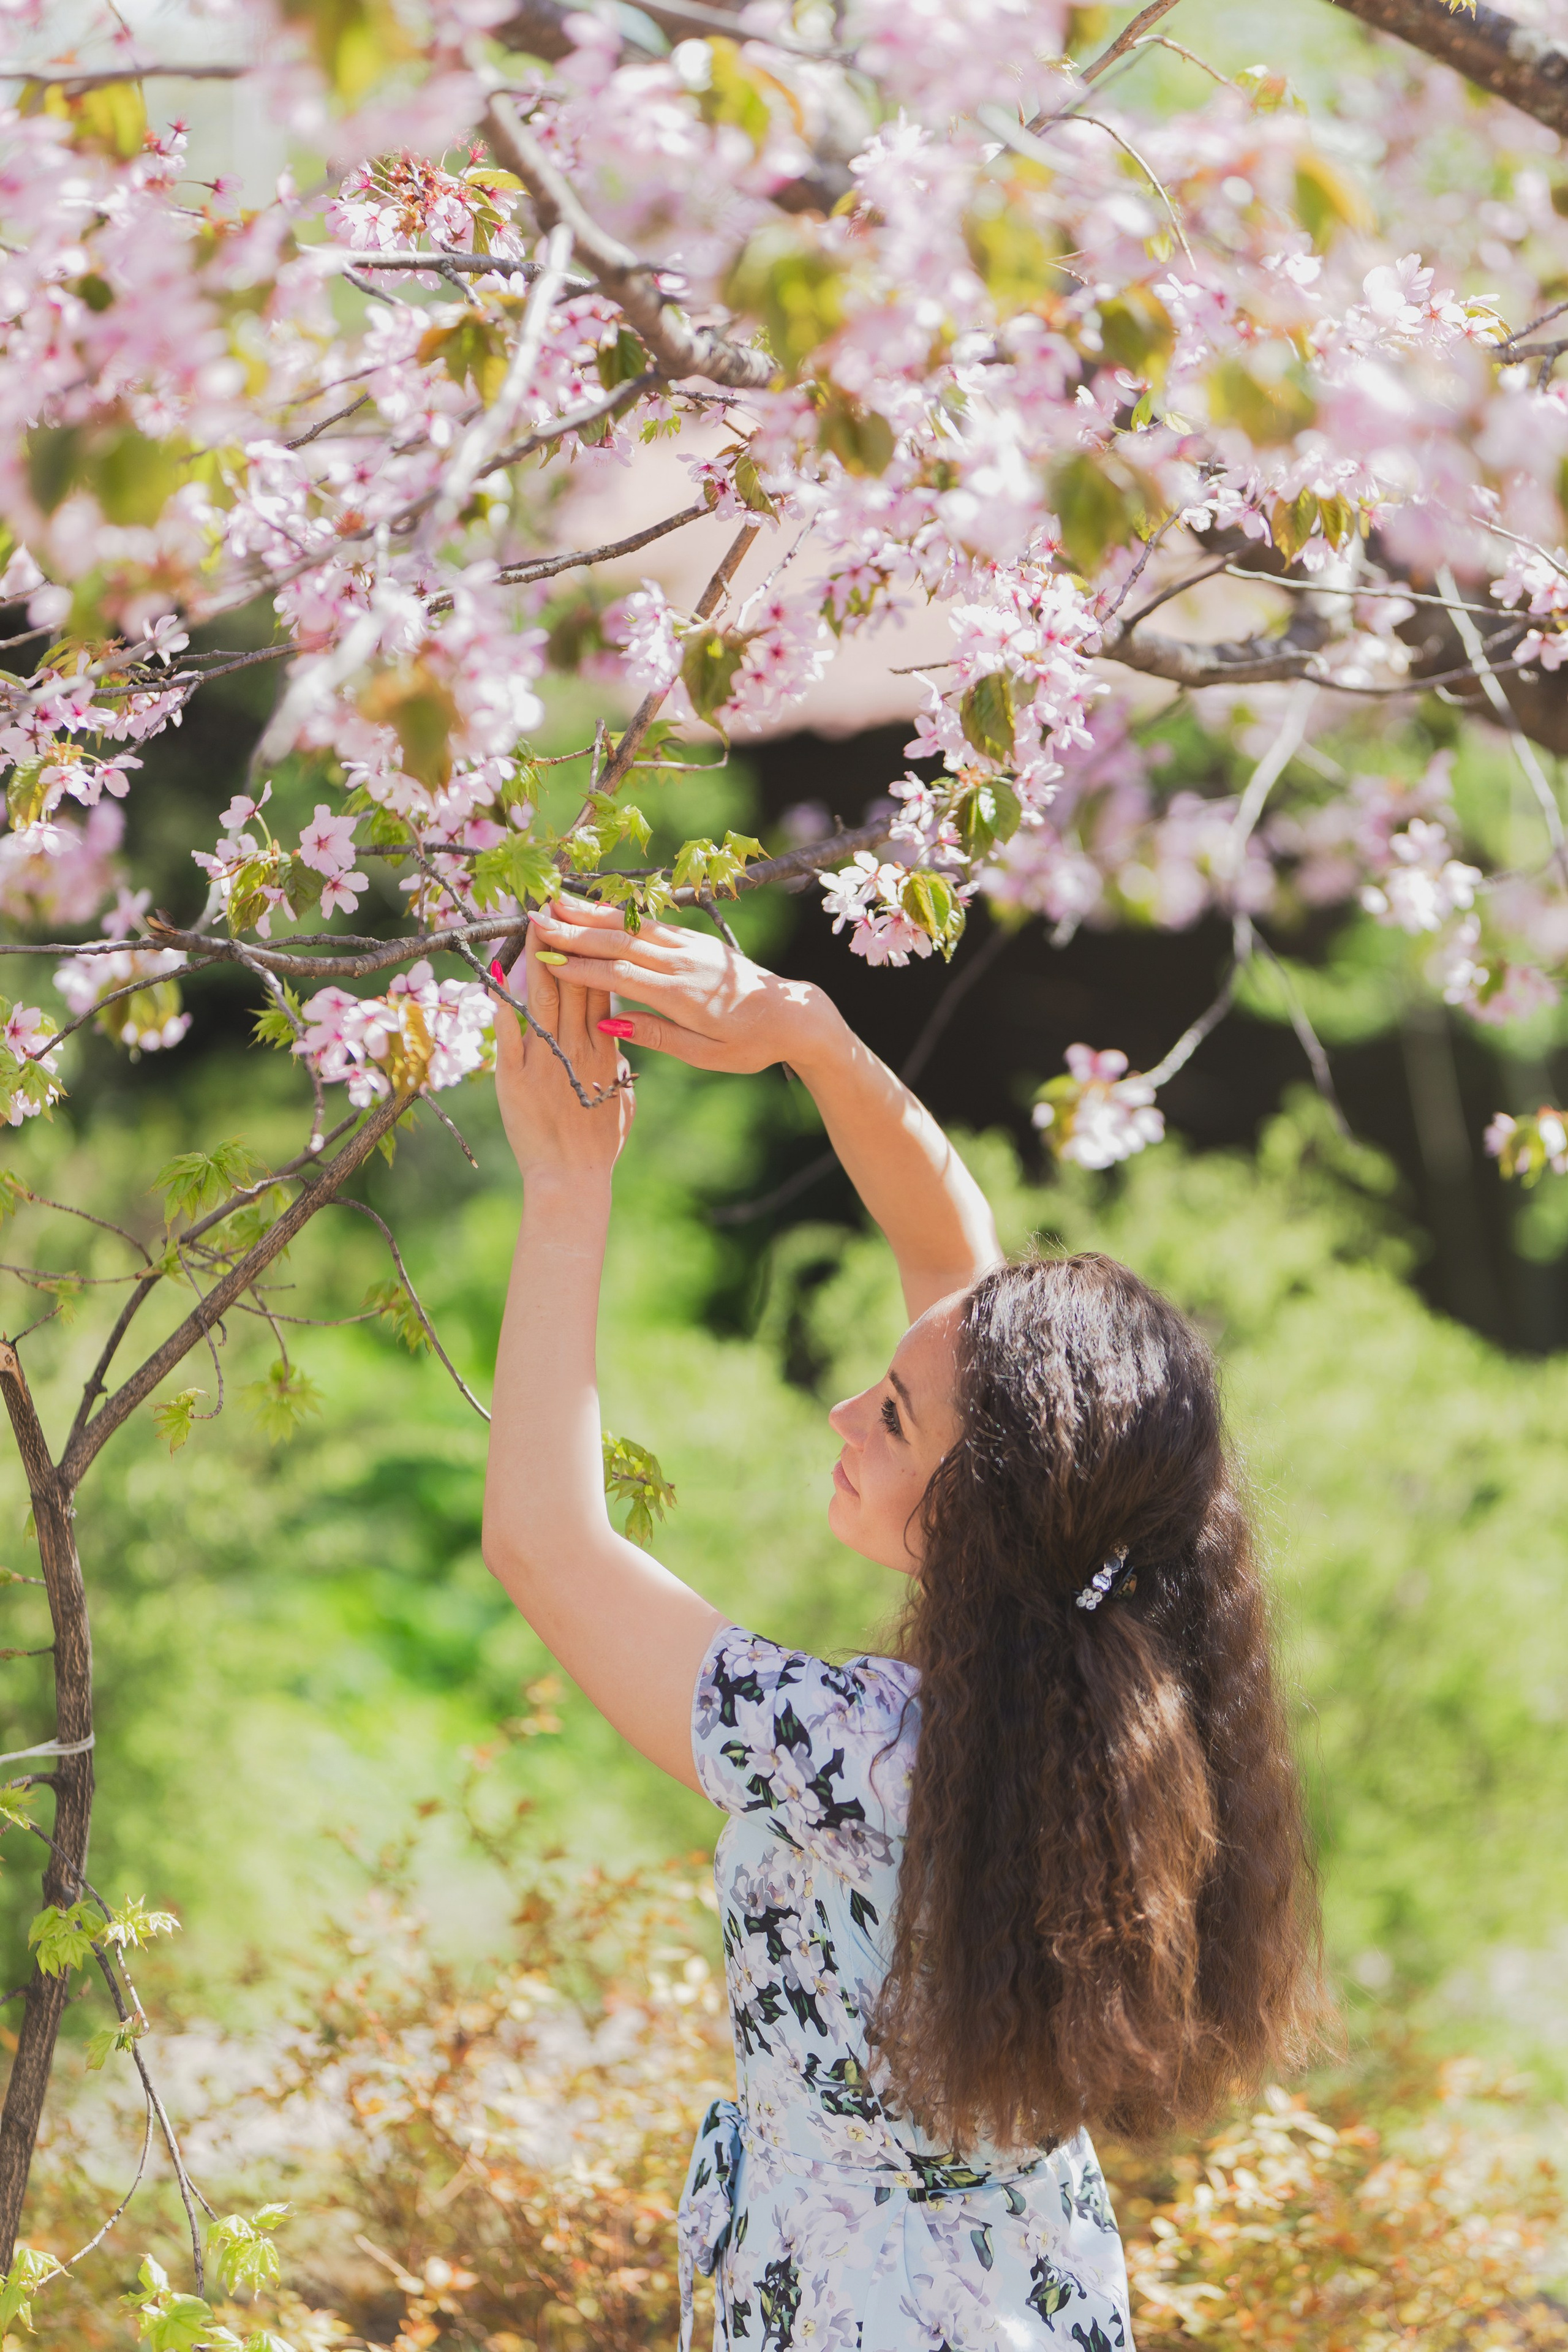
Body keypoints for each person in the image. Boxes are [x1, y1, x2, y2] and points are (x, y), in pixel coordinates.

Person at [483, 897, 1321, 2352]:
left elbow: (547, 1550)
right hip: (1027, 2291)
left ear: (975, 1512)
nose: (841, 1416)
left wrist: (568, 1188)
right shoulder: (1108, 1683)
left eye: (885, 1415)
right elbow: (954, 1260)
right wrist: (808, 1032)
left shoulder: (859, 1754)